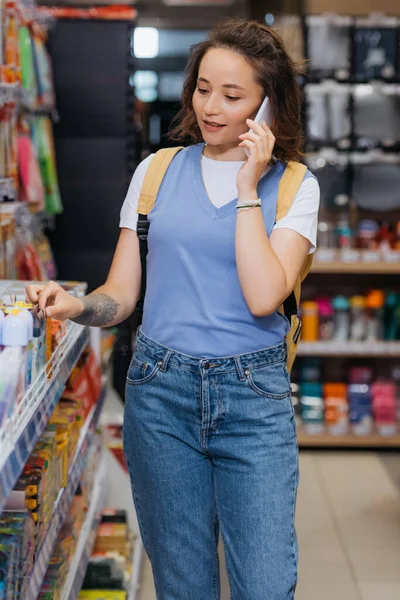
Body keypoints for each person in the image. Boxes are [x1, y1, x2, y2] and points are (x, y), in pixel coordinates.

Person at [26, 18, 319, 600]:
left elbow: (264, 296)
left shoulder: (293, 188)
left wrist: (246, 188)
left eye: (233, 96)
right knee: (184, 586)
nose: (210, 106)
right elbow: (122, 296)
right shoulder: (156, 172)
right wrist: (76, 304)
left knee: (265, 585)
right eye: (203, 88)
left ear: (268, 106)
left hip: (252, 400)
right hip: (161, 393)